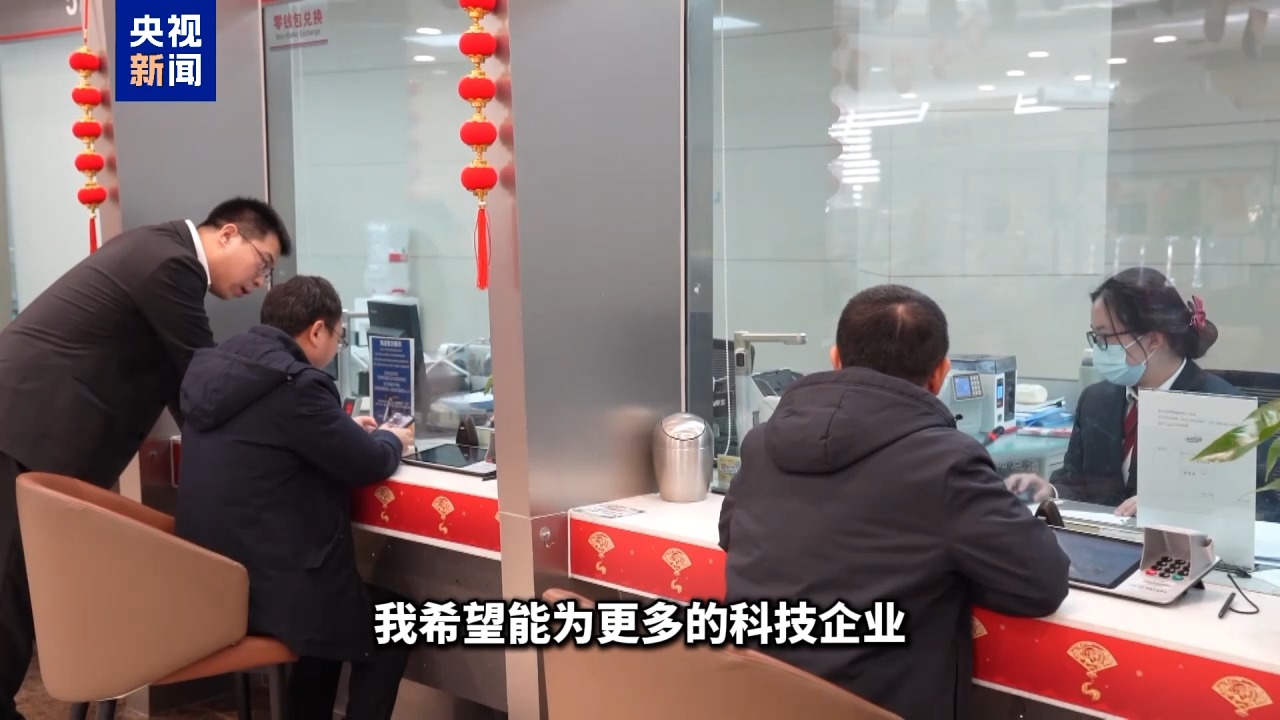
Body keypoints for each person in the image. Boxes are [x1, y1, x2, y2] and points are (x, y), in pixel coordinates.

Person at [719, 284, 1069, 720]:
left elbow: (730, 535)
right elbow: (1042, 583)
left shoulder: (760, 443)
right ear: (940, 374)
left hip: (755, 703)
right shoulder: (947, 462)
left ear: (835, 358)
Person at [0, 198, 290, 720]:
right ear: (228, 234)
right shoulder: (169, 264)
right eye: (263, 263)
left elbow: (189, 391)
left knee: (18, 589)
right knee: (8, 586)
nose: (260, 282)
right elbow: (205, 377)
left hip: (31, 434)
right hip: (21, 428)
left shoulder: (160, 256)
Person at [174, 276, 415, 720]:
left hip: (214, 584)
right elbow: (369, 463)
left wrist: (341, 428)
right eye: (339, 336)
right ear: (318, 330)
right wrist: (391, 437)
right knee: (395, 622)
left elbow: (276, 434)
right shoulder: (297, 384)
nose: (336, 347)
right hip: (273, 595)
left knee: (332, 617)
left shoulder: (219, 369)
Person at [1005, 267, 1276, 519]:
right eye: (1095, 337)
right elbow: (1081, 483)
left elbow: (1263, 509)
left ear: (1153, 340)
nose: (1099, 348)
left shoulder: (1226, 411)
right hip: (1102, 547)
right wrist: (1050, 491)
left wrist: (1175, 507)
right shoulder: (1095, 401)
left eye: (1106, 337)